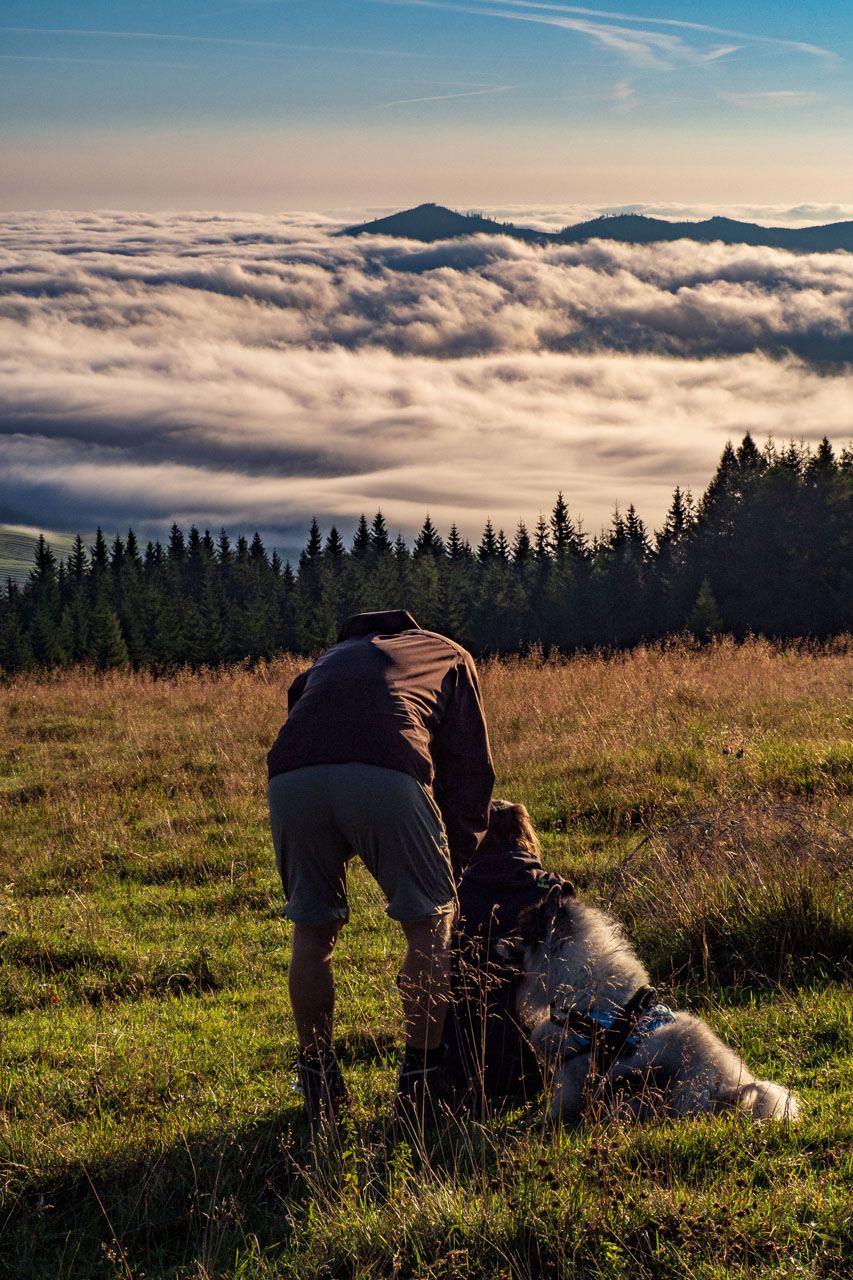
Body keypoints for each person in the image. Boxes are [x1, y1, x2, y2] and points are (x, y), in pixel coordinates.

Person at [267, 609, 495, 1123]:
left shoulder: (328, 661)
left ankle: (318, 1080)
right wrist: (461, 862)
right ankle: (423, 1083)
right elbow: (469, 766)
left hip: (289, 777)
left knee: (312, 932)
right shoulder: (446, 652)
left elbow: (298, 709)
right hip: (387, 770)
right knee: (429, 926)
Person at [443, 799, 570, 1114]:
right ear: (523, 834)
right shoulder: (550, 888)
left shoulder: (451, 894)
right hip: (537, 1064)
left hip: (462, 1066)